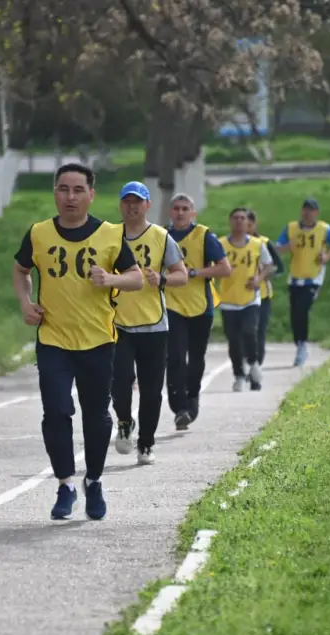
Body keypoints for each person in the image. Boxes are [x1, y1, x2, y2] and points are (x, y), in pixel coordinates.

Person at [11, 163, 144, 521]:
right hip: (53, 339)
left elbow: (136, 279)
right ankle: (65, 484)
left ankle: (94, 481)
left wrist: (111, 279)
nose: (70, 197)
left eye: (78, 190)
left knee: (97, 416)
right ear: (55, 193)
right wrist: (25, 303)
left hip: (98, 340)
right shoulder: (38, 233)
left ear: (91, 195)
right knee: (56, 411)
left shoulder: (110, 234)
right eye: (63, 189)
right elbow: (21, 270)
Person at [111, 181, 189, 465]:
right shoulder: (109, 235)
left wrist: (163, 278)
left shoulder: (161, 236)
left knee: (151, 390)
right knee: (120, 383)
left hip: (154, 324)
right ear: (121, 205)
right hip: (117, 323)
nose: (132, 207)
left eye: (138, 201)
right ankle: (124, 421)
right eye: (127, 201)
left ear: (147, 205)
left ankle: (146, 443)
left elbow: (182, 275)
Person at [164, 193, 232, 429]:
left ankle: (192, 400)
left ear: (192, 213)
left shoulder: (205, 237)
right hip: (171, 305)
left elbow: (225, 269)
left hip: (200, 307)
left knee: (195, 359)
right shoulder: (162, 236)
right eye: (176, 208)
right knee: (174, 357)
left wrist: (195, 273)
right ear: (170, 212)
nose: (180, 213)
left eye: (185, 209)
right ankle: (179, 408)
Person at [274, 198, 330, 367]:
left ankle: (303, 345)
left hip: (313, 277)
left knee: (302, 309)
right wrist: (287, 248)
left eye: (311, 210)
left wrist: (326, 256)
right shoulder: (291, 228)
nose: (308, 213)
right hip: (295, 277)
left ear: (316, 213)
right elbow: (277, 248)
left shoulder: (324, 229)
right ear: (301, 211)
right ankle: (299, 343)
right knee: (294, 314)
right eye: (305, 209)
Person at [217, 208, 276, 391]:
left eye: (242, 218)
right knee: (234, 341)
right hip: (228, 300)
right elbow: (211, 266)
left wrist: (259, 278)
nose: (239, 221)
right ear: (230, 221)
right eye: (235, 218)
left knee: (250, 332)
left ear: (248, 222)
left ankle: (253, 362)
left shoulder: (257, 244)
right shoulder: (221, 244)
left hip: (250, 299)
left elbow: (268, 264)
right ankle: (239, 375)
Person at [246, 209, 284, 368]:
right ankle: (245, 361)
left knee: (259, 331)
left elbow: (279, 267)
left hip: (262, 294)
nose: (246, 229)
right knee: (245, 332)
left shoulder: (264, 243)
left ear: (255, 224)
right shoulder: (231, 243)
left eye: (249, 225)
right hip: (239, 295)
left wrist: (264, 274)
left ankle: (257, 364)